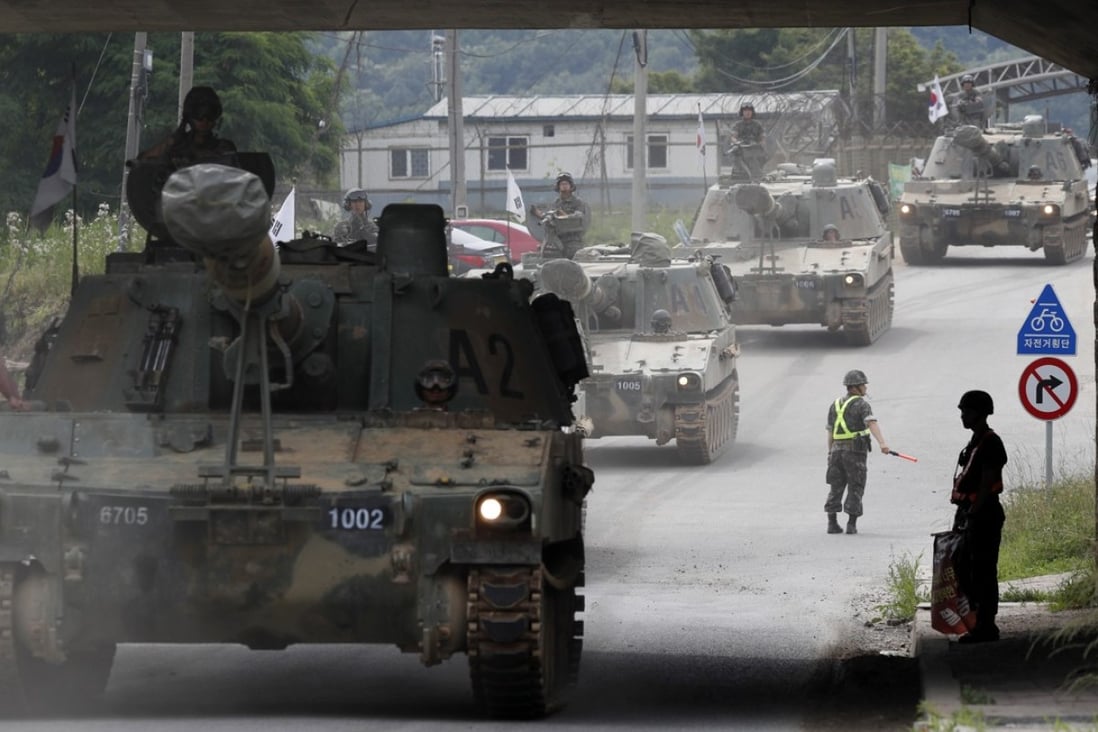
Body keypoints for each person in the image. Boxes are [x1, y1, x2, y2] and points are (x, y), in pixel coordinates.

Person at [950, 389, 1007, 644]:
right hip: (970, 514)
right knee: (964, 567)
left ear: (980, 413)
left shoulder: (990, 442)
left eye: (967, 411)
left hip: (983, 515)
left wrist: (973, 514)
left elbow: (986, 483)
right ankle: (976, 621)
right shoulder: (974, 441)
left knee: (982, 569)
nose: (962, 415)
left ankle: (986, 625)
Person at [825, 369, 890, 534]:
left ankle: (832, 523)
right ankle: (851, 524)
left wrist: (830, 452)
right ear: (855, 387)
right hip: (854, 452)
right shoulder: (862, 404)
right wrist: (882, 443)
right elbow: (871, 423)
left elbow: (830, 432)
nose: (865, 388)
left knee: (836, 486)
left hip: (836, 451)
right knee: (856, 485)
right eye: (863, 385)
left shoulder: (835, 404)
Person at [138, 86, 237, 165]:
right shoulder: (176, 145)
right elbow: (142, 161)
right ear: (190, 116)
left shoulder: (223, 147)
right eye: (199, 115)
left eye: (211, 115)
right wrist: (171, 142)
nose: (205, 121)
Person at [530, 172, 591, 260]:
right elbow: (551, 217)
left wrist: (563, 215)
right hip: (558, 240)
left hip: (572, 240)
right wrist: (539, 214)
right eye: (562, 184)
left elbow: (578, 217)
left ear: (571, 186)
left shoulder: (577, 202)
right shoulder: (556, 202)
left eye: (566, 184)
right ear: (558, 187)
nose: (564, 186)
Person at [729, 103, 766, 180]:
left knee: (758, 163)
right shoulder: (738, 125)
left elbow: (762, 137)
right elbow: (733, 136)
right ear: (742, 112)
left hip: (754, 150)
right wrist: (736, 142)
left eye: (749, 110)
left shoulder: (757, 125)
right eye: (745, 111)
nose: (747, 112)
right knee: (738, 160)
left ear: (752, 112)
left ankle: (757, 175)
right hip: (742, 149)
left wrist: (761, 143)